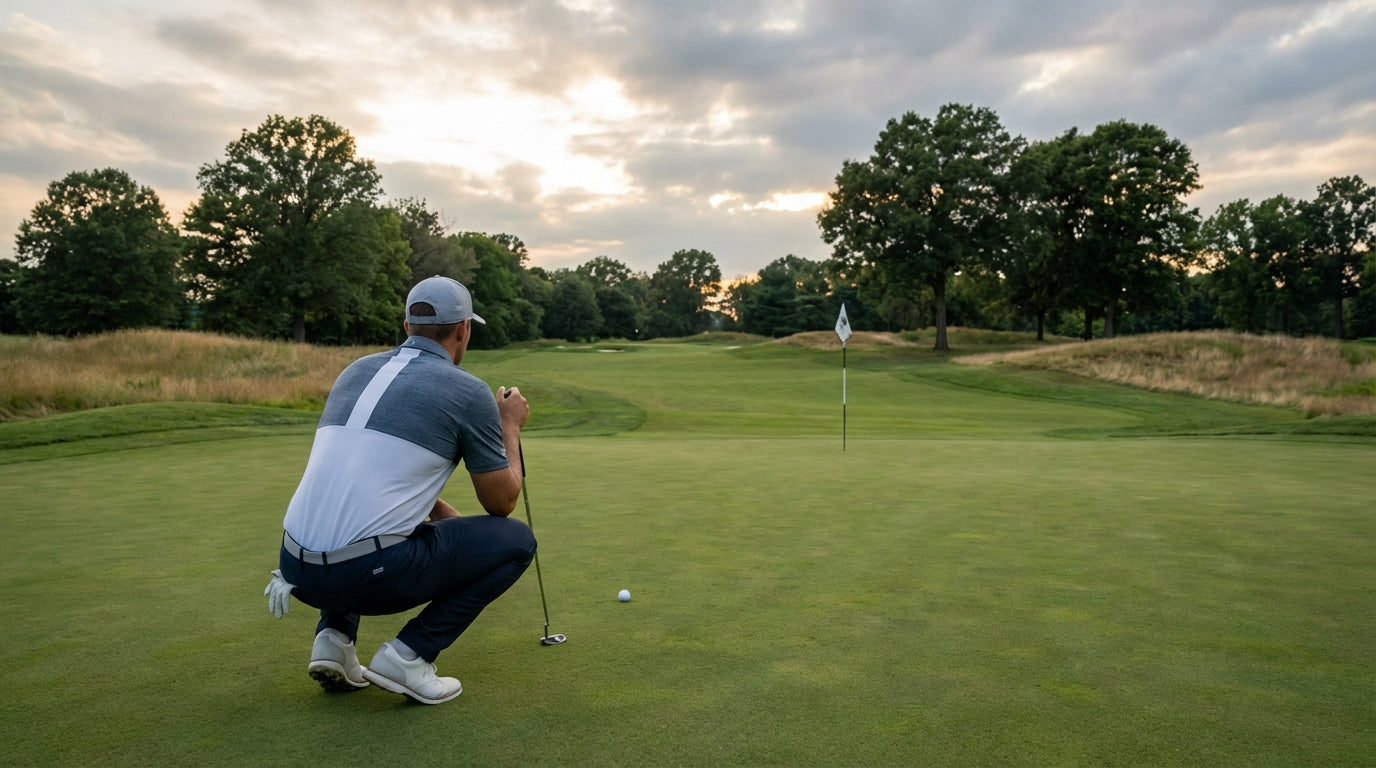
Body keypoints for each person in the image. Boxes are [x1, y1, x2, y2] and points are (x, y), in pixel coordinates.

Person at [264, 275, 535, 705]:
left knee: (359, 525)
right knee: (518, 540)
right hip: (365, 576)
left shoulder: (355, 371)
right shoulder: (467, 391)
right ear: (463, 329)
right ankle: (409, 656)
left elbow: (370, 482)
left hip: (294, 569)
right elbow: (500, 502)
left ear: (407, 326)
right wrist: (508, 425)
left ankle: (333, 639)